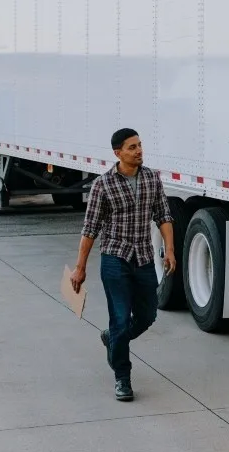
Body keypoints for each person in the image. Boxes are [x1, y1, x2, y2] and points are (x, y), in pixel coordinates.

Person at [69, 128, 176, 402]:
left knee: (147, 316)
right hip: (115, 259)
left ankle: (113, 338)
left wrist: (170, 251)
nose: (139, 151)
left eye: (140, 145)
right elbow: (90, 229)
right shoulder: (102, 185)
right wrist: (80, 267)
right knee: (119, 317)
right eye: (132, 147)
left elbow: (163, 215)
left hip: (143, 258)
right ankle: (122, 378)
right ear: (118, 153)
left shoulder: (152, 179)